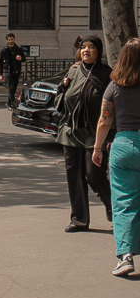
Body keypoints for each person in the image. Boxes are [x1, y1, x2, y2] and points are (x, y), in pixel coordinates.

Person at [93, 38, 140, 275]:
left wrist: (97, 148)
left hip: (123, 145)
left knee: (123, 202)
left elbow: (104, 120)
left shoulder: (114, 87)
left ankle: (125, 256)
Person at [56, 34, 112, 233]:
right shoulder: (73, 71)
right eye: (83, 47)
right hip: (71, 132)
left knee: (94, 174)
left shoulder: (107, 74)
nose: (86, 50)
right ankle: (79, 218)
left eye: (91, 47)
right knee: (74, 176)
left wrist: (111, 136)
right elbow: (60, 103)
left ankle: (113, 207)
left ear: (99, 52)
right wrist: (62, 88)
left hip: (95, 134)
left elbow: (113, 106)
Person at [0, 32, 26, 109]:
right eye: (9, 39)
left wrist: (21, 58)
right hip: (8, 71)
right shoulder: (4, 50)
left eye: (12, 39)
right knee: (11, 86)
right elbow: (0, 63)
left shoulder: (19, 49)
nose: (11, 41)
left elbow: (24, 59)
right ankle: (12, 103)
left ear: (14, 39)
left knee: (14, 87)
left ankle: (8, 102)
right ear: (7, 40)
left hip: (16, 70)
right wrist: (1, 74)